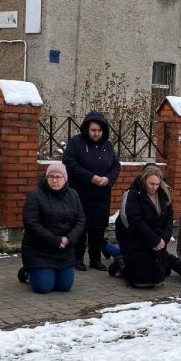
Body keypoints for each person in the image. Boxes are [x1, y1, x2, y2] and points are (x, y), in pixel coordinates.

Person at [62, 110, 121, 271]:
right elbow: (69, 162)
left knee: (98, 228)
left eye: (99, 130)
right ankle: (77, 259)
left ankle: (95, 259)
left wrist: (108, 178)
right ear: (87, 129)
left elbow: (116, 166)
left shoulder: (107, 145)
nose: (96, 134)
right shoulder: (76, 143)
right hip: (80, 193)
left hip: (101, 194)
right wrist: (91, 177)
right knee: (80, 227)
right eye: (93, 130)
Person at [19, 162, 85, 294]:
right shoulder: (35, 195)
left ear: (65, 178)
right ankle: (27, 272)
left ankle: (49, 273)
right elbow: (31, 223)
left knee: (64, 287)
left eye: (58, 177)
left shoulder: (73, 195)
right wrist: (55, 240)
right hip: (40, 250)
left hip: (64, 250)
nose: (54, 180)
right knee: (43, 288)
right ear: (46, 178)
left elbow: (81, 220)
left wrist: (69, 239)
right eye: (51, 176)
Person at [118, 164, 175, 288]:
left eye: (157, 184)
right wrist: (154, 240)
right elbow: (135, 220)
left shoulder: (164, 194)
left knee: (158, 279)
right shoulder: (134, 194)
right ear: (144, 180)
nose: (154, 187)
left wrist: (164, 239)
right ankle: (120, 264)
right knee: (141, 281)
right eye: (151, 184)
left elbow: (169, 219)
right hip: (140, 240)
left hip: (159, 241)